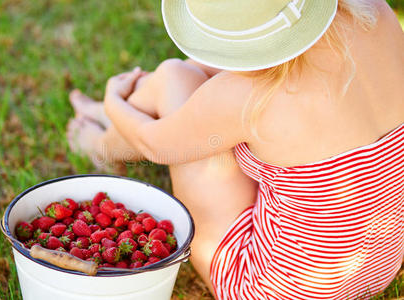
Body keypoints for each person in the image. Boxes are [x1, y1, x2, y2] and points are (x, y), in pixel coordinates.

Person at [67, 0, 404, 298]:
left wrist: (113, 100)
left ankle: (101, 143)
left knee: (175, 78)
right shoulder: (376, 13)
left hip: (275, 286)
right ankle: (120, 111)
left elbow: (154, 143)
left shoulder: (250, 97)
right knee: (190, 76)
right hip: (379, 262)